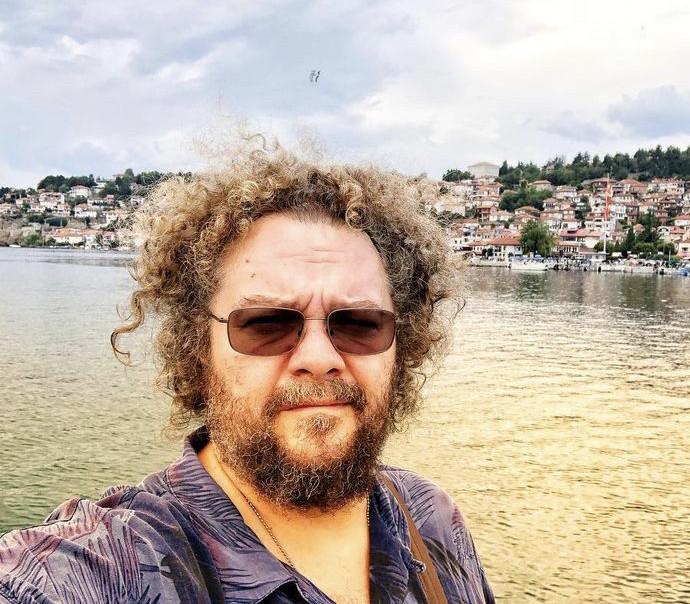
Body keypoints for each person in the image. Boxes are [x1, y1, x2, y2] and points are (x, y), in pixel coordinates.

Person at [0, 145, 495, 604]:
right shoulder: (109, 565)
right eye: (266, 324)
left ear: (401, 344)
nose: (319, 357)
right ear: (198, 348)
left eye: (359, 324)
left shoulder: (431, 519)